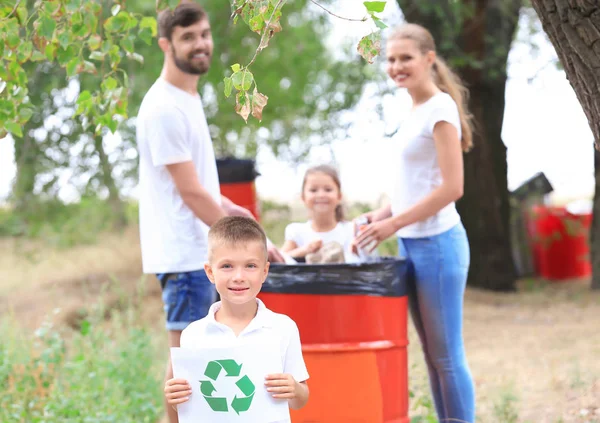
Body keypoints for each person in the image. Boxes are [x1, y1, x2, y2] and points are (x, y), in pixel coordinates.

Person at [135, 3, 283, 422]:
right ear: (166, 45)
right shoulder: (164, 107)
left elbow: (205, 188)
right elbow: (191, 194)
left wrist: (239, 212)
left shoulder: (187, 96)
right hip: (185, 258)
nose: (200, 44)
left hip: (197, 253)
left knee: (199, 362)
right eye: (187, 37)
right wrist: (247, 244)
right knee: (184, 363)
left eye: (203, 34)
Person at [354, 23, 476, 422]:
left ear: (428, 58)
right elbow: (415, 186)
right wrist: (382, 215)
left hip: (438, 245)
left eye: (405, 58)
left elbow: (452, 187)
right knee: (432, 356)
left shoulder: (440, 108)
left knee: (446, 356)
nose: (396, 66)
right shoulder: (414, 110)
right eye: (390, 59)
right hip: (412, 242)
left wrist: (393, 224)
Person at [164, 216, 310, 421]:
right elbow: (191, 407)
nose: (239, 276)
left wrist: (294, 389)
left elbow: (301, 399)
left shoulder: (283, 328)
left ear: (265, 271)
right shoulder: (193, 335)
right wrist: (176, 397)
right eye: (227, 266)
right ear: (210, 272)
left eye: (250, 265)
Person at [281, 165, 359, 263]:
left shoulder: (351, 230)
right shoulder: (296, 232)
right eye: (313, 190)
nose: (321, 195)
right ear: (303, 197)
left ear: (339, 196)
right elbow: (281, 260)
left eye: (328, 190)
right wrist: (305, 250)